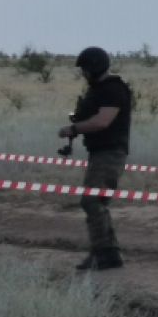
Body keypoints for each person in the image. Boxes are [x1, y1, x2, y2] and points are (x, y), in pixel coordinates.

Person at [58, 47, 132, 271]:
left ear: (94, 67)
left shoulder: (113, 90)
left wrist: (74, 128)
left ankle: (103, 253)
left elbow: (102, 121)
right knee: (96, 201)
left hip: (110, 153)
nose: (83, 74)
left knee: (92, 201)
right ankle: (109, 252)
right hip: (100, 152)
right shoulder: (99, 89)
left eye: (85, 69)